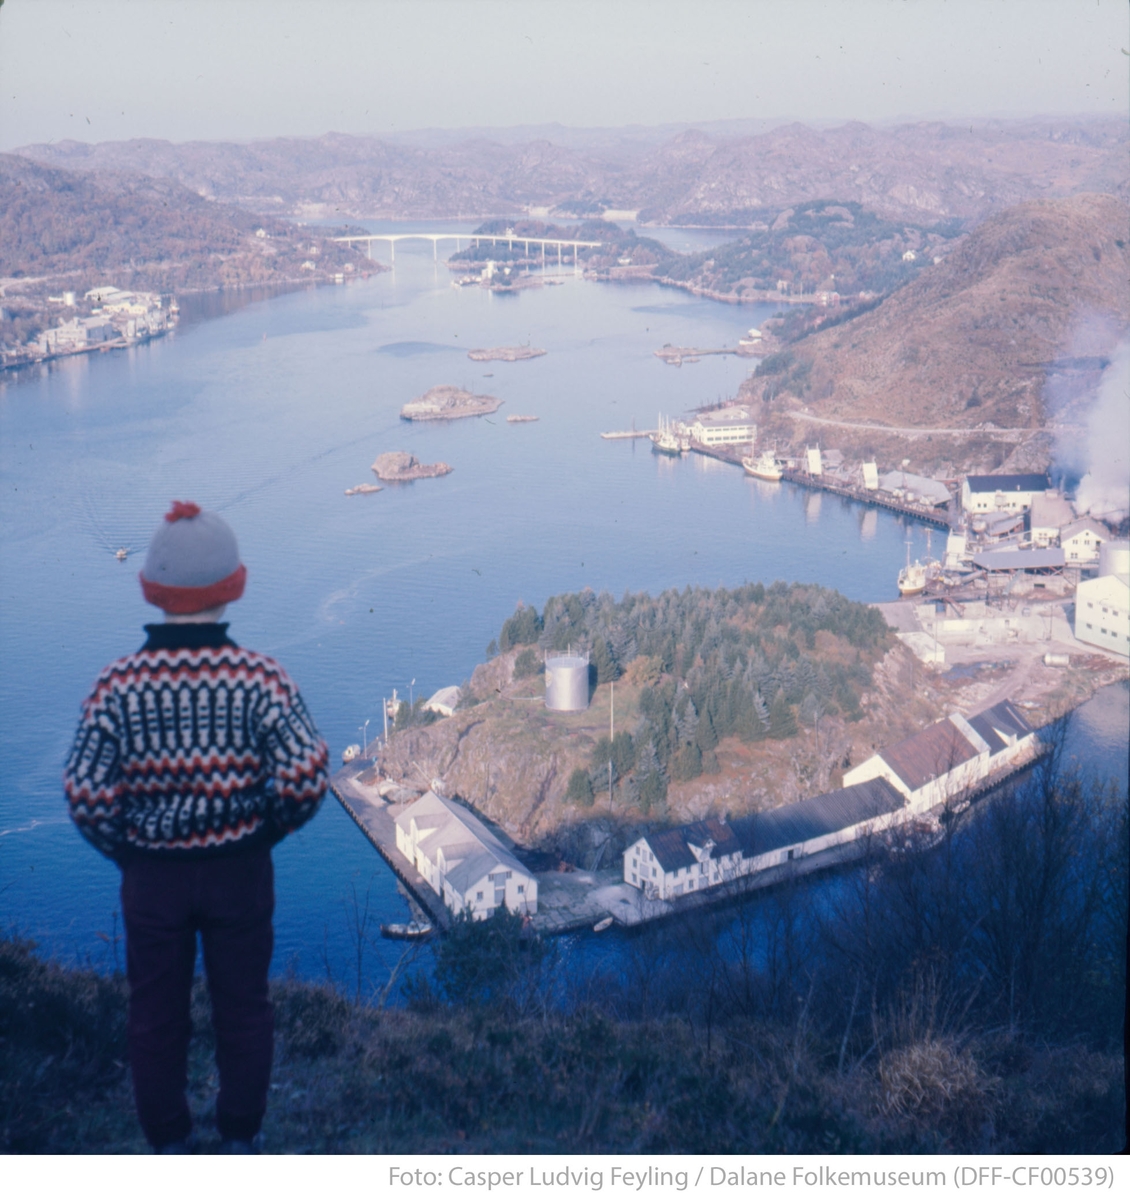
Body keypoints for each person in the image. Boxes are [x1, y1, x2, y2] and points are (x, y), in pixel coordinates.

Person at [64, 501, 329, 1153]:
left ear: (151, 590)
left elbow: (84, 789)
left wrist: (128, 850)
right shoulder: (262, 679)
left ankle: (169, 1142)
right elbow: (306, 774)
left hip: (152, 877)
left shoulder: (116, 686)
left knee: (155, 1015)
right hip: (240, 871)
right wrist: (265, 832)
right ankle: (239, 1135)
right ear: (234, 585)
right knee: (244, 1008)